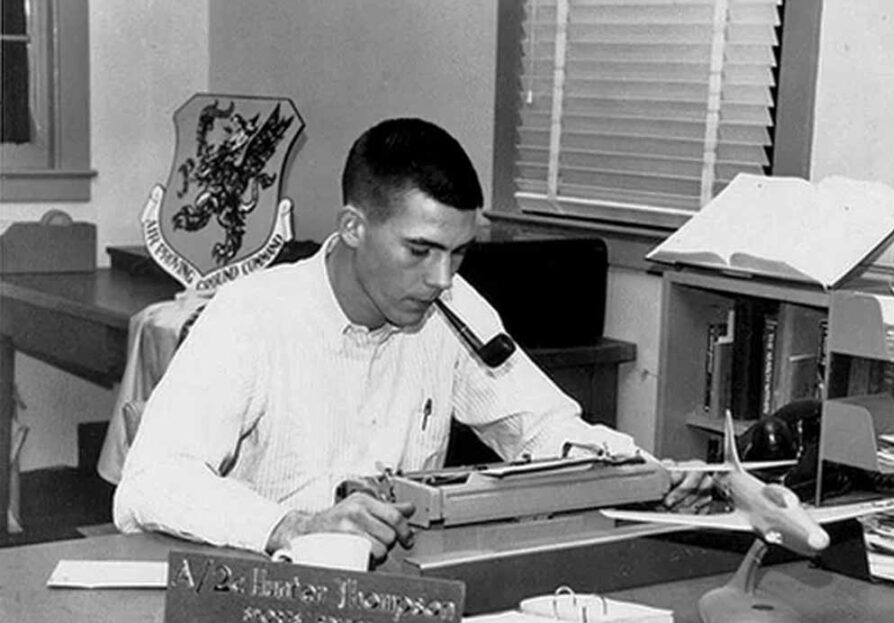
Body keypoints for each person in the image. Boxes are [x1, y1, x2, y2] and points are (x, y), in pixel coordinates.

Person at [114, 117, 709, 563]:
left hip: (398, 588)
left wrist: (647, 474)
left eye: (458, 252)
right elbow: (148, 484)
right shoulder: (252, 316)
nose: (442, 277)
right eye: (420, 250)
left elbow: (541, 427)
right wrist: (290, 526)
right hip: (261, 584)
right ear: (353, 227)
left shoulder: (450, 307)